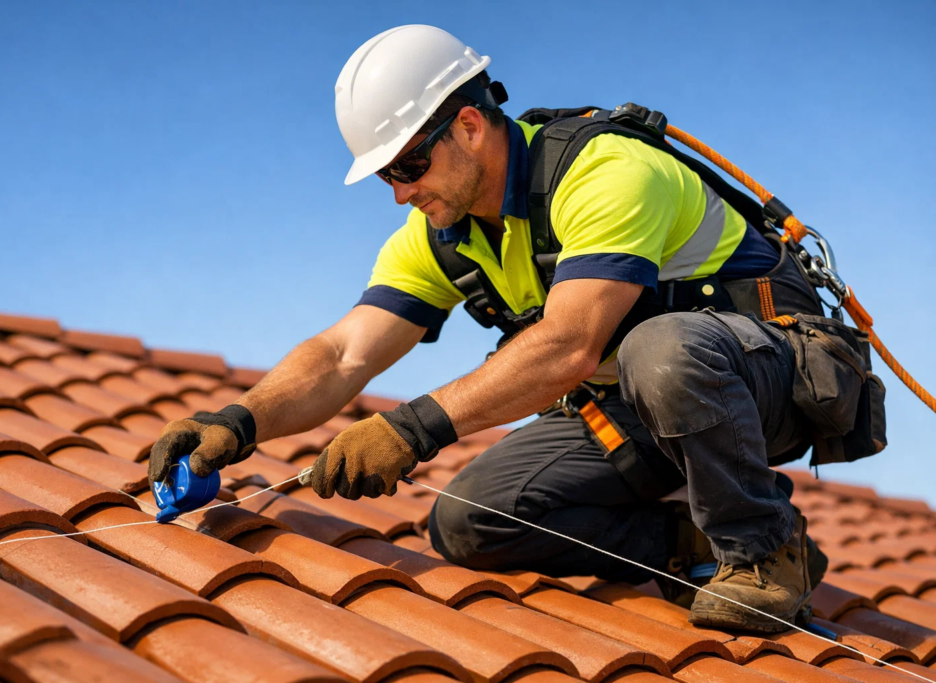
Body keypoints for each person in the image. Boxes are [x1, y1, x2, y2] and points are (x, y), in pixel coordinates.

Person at [149, 25, 837, 632]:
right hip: (645, 403)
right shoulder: (442, 233)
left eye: (408, 165)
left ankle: (762, 546)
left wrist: (409, 428)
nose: (400, 192)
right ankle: (687, 541)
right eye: (387, 174)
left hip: (770, 378)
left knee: (665, 349)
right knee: (468, 521)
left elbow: (570, 344)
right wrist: (241, 421)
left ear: (470, 126)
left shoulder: (604, 173)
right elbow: (341, 354)